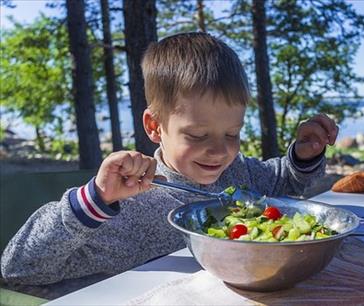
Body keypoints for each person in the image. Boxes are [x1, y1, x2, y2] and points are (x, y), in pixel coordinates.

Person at [1, 32, 338, 285]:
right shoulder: (127, 207)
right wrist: (96, 200)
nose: (220, 151)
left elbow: (284, 181)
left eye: (232, 134)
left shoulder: (238, 175)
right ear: (154, 126)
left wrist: (303, 156)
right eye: (197, 135)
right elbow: (19, 266)